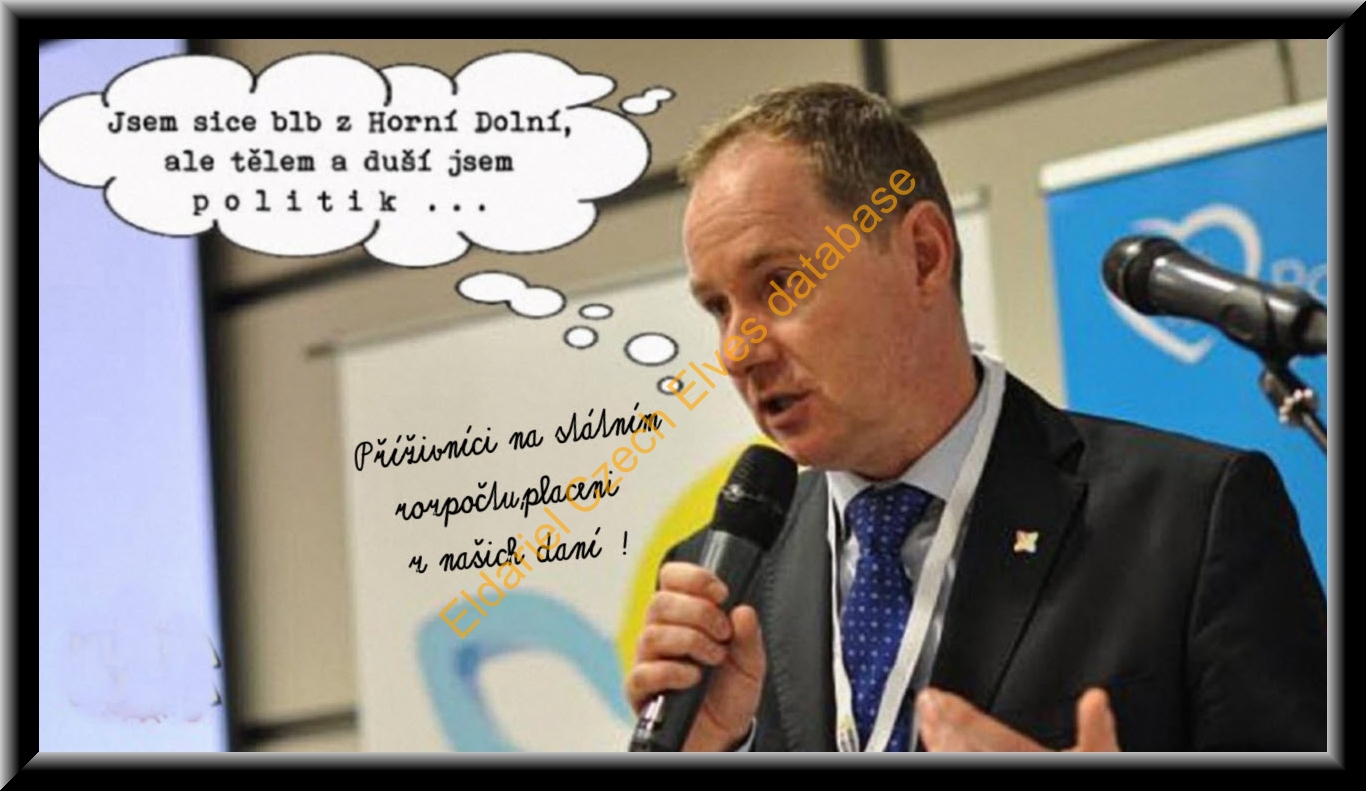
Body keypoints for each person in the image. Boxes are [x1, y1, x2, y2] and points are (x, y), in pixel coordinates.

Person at [623, 83, 1326, 752]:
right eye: (718, 308)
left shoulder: (1190, 519)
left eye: (780, 284)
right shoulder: (718, 589)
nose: (737, 349)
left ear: (923, 256)